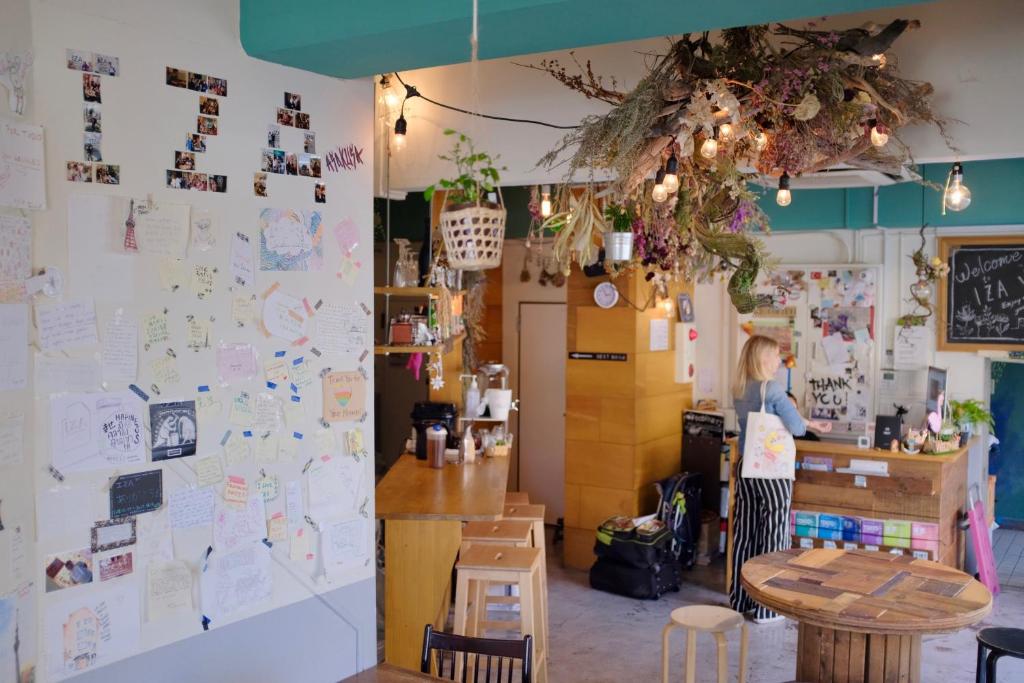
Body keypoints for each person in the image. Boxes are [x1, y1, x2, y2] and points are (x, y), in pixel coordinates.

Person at [729, 335, 831, 623]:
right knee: (773, 533)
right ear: (763, 359)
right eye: (775, 356)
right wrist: (806, 421)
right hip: (772, 472)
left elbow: (779, 417)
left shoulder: (740, 387)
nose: (778, 362)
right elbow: (796, 427)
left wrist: (811, 422)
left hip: (747, 466)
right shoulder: (771, 388)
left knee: (745, 533)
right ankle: (767, 607)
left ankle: (740, 599)